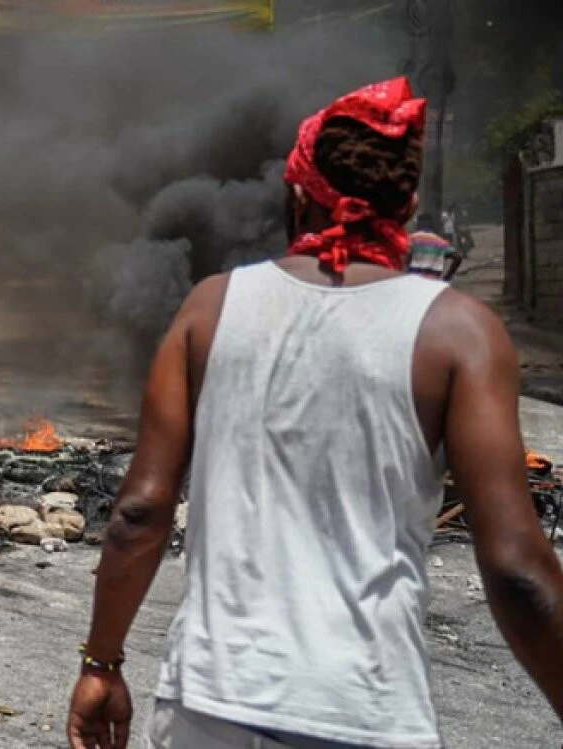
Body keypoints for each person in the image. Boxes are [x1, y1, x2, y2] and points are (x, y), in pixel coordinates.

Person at [67, 77, 563, 749]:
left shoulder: (209, 310)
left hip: (210, 709)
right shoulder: (459, 333)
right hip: (364, 713)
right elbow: (516, 570)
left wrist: (102, 660)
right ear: (409, 203)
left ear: (296, 193)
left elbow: (139, 513)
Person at [408, 213, 463, 281]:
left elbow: (407, 255)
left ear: (418, 224)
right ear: (431, 225)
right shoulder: (441, 242)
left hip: (414, 280)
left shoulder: (412, 238)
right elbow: (458, 257)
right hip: (433, 282)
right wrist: (447, 278)